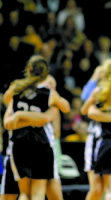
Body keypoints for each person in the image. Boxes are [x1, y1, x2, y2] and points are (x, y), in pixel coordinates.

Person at [3, 55, 70, 200]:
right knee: (38, 193)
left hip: (19, 142)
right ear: (46, 74)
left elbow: (6, 100)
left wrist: (21, 114)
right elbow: (66, 107)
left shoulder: (16, 89)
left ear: (28, 70)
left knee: (24, 194)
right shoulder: (49, 94)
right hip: (41, 143)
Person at [82, 59, 111, 200]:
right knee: (98, 189)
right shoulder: (100, 91)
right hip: (98, 139)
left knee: (109, 187)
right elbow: (87, 111)